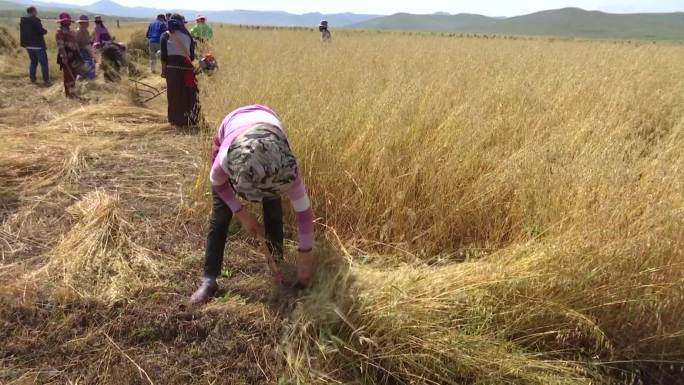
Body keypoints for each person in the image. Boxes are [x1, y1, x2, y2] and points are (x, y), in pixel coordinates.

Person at [190, 105, 315, 304]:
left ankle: (276, 267)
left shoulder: (284, 167)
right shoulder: (225, 160)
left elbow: (305, 215)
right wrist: (241, 213)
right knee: (221, 216)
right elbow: (218, 183)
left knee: (273, 211)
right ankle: (209, 279)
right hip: (233, 131)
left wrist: (305, 258)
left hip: (268, 137)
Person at [160, 14, 200, 127]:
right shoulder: (188, 36)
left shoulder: (165, 35)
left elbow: (163, 57)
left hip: (172, 70)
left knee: (174, 95)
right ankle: (191, 120)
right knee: (189, 94)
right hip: (187, 69)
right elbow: (191, 57)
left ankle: (176, 121)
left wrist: (164, 72)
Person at [55, 13, 86, 97]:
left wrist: (77, 52)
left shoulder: (70, 31)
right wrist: (64, 57)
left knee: (74, 74)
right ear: (62, 22)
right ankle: (69, 94)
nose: (67, 23)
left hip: (74, 55)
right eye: (66, 21)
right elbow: (60, 46)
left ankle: (73, 91)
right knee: (68, 76)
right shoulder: (59, 32)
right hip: (67, 56)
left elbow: (75, 43)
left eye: (68, 21)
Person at [19, 6, 50, 85]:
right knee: (44, 63)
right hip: (38, 45)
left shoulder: (23, 20)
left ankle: (32, 79)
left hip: (28, 45)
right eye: (35, 11)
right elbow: (40, 31)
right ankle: (46, 80)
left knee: (33, 62)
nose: (36, 12)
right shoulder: (35, 20)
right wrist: (45, 31)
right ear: (32, 11)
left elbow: (23, 33)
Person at [75, 15, 96, 80]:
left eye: (87, 22)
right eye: (86, 22)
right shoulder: (78, 32)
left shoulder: (86, 31)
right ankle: (88, 81)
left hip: (86, 51)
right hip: (81, 52)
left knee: (91, 65)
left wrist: (92, 38)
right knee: (88, 66)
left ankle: (87, 80)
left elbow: (88, 42)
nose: (88, 24)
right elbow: (76, 44)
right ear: (82, 23)